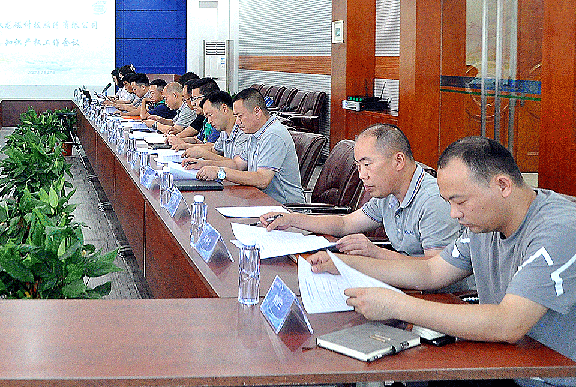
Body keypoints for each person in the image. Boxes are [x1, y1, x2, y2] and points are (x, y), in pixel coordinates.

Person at [308, 137, 576, 382]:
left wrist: (397, 306)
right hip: (509, 364)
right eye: (449, 202)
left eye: (460, 202)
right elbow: (430, 271)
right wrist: (343, 264)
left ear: (503, 185)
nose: (453, 214)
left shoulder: (560, 228)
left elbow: (509, 323)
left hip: (553, 376)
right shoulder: (486, 223)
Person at [260, 124, 464, 262]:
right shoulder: (388, 193)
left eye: (367, 164)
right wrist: (293, 219)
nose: (361, 175)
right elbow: (345, 224)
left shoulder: (433, 201)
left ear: (398, 161)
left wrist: (375, 253)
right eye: (358, 166)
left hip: (442, 300)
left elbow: (434, 270)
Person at [194, 88, 304, 204]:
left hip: (284, 206)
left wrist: (221, 173)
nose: (237, 122)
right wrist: (203, 164)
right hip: (259, 199)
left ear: (257, 112)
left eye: (240, 116)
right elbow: (237, 165)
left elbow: (262, 179)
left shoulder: (273, 135)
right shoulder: (254, 133)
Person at [181, 90, 247, 166]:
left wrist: (203, 155)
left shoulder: (243, 130)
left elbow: (237, 165)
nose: (209, 121)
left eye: (210, 115)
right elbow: (214, 149)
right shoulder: (224, 131)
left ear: (224, 109)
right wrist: (187, 146)